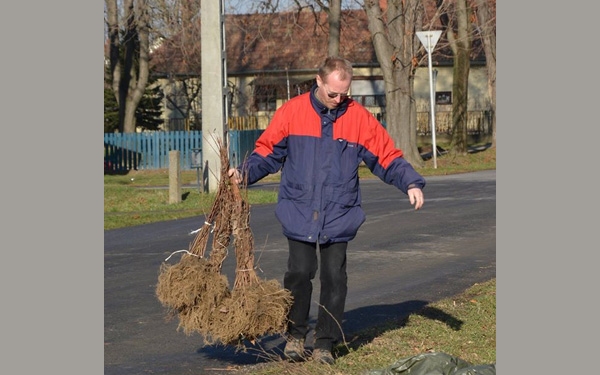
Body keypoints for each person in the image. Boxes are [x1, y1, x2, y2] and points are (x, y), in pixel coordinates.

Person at [228, 56, 425, 365]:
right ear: (319, 82)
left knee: (335, 277)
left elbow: (386, 155)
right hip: (299, 209)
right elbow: (266, 152)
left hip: (338, 210)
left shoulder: (358, 118)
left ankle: (324, 343)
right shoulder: (292, 113)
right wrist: (243, 172)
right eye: (333, 93)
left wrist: (411, 183)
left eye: (344, 93)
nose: (338, 99)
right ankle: (295, 336)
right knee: (299, 273)